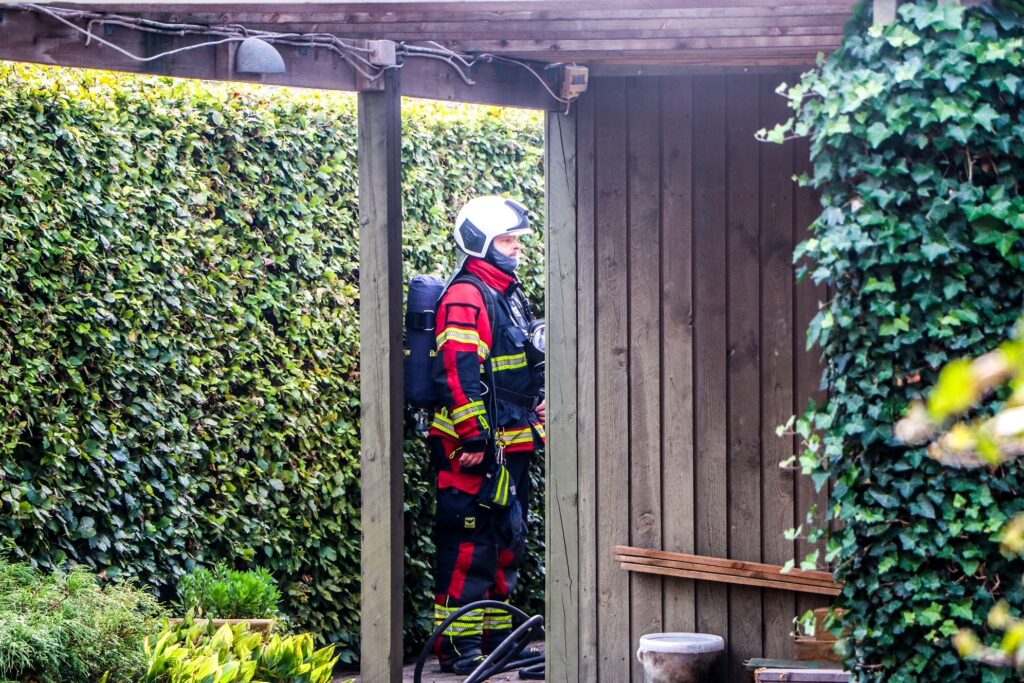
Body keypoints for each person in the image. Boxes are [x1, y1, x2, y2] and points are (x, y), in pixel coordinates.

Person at [428, 195, 546, 675]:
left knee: (506, 543)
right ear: (480, 242)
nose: (516, 247)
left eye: (516, 239)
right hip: (473, 451)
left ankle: (499, 642)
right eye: (506, 239)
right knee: (468, 546)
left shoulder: (510, 295)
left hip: (512, 444)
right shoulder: (466, 295)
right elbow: (457, 372)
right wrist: (473, 439)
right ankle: (458, 648)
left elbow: (522, 364)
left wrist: (541, 399)